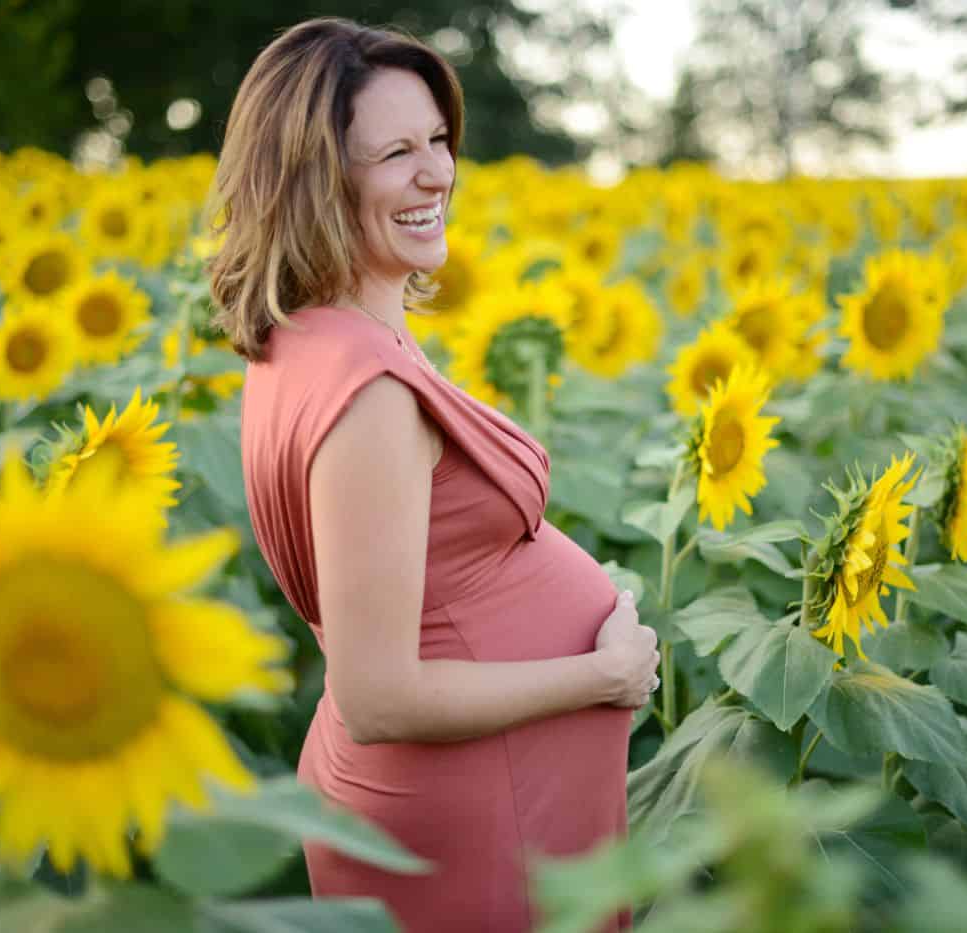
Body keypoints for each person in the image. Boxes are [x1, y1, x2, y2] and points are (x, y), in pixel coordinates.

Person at [207, 18, 661, 933]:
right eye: (396, 154)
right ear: (317, 182)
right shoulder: (365, 387)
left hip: (474, 801)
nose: (438, 174)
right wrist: (600, 674)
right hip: (478, 818)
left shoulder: (313, 339)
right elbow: (377, 694)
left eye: (440, 142)